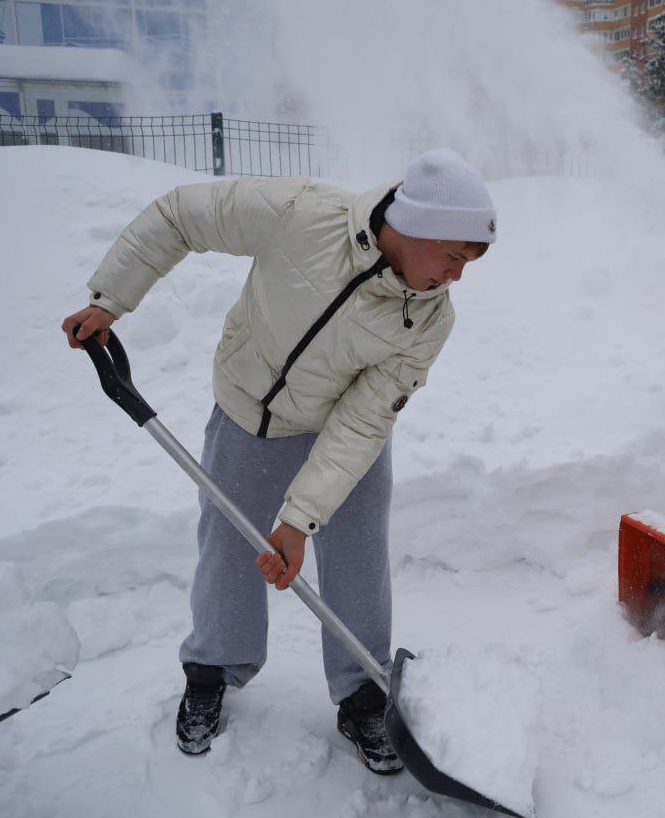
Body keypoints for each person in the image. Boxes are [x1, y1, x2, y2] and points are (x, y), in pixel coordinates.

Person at [60, 148, 496, 773]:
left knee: (358, 553)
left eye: (468, 263)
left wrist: (299, 519)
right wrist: (110, 300)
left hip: (343, 435)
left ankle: (363, 693)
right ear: (416, 226)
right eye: (453, 257)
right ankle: (213, 667)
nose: (457, 276)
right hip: (247, 409)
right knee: (230, 544)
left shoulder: (428, 318)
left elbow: (362, 420)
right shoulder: (303, 213)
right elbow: (180, 215)